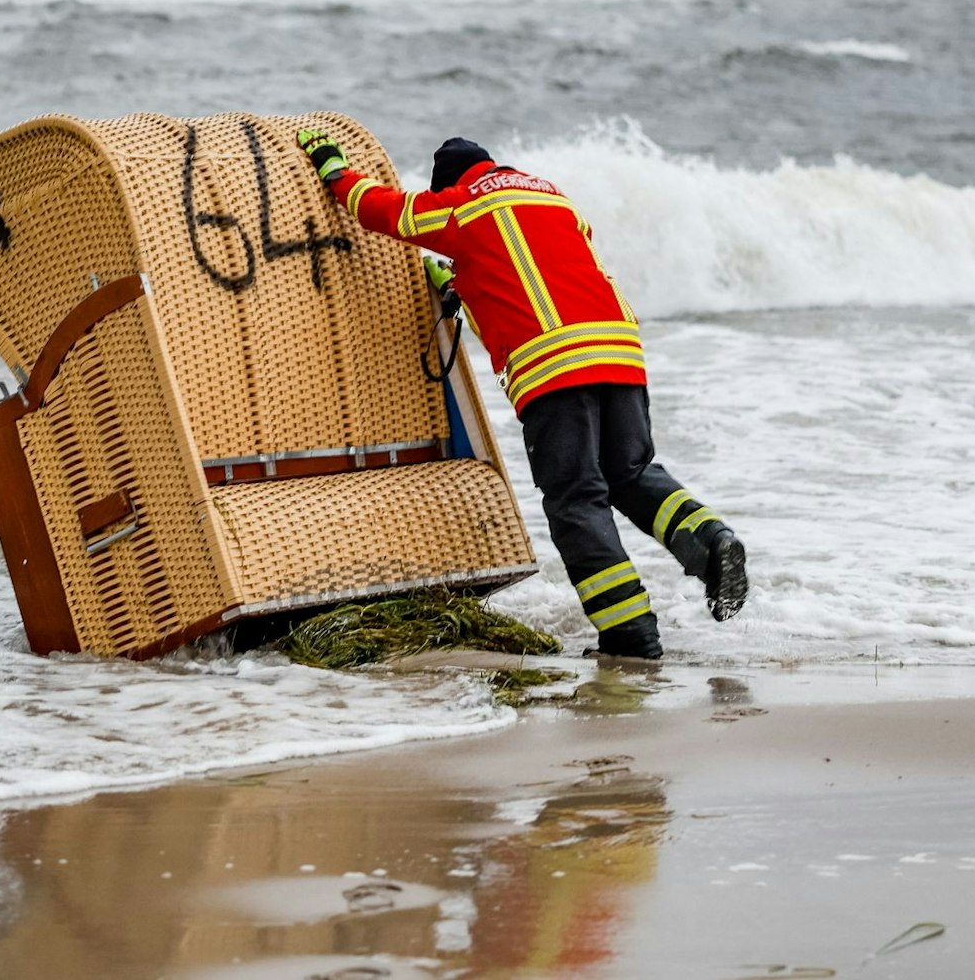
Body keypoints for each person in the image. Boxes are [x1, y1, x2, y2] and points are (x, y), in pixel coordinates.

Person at [295, 129, 748, 659]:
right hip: (620, 350)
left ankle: (630, 637)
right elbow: (531, 271)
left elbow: (381, 211)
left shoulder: (465, 204)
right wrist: (462, 279)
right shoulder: (551, 197)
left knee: (574, 499)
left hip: (556, 366)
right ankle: (710, 539)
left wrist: (333, 168)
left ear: (451, 182)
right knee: (631, 474)